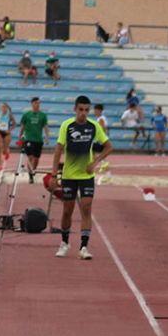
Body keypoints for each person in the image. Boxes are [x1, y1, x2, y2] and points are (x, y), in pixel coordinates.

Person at [48, 95, 114, 260]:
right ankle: (64, 242)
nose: (83, 113)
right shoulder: (67, 125)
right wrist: (54, 175)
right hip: (69, 175)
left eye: (86, 110)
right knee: (67, 210)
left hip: (86, 175)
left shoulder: (94, 126)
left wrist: (95, 162)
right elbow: (57, 151)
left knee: (86, 207)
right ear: (75, 109)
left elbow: (109, 146)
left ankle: (84, 247)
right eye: (80, 110)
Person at [18, 97, 49, 183]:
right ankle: (30, 175)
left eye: (39, 103)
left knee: (36, 159)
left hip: (38, 140)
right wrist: (19, 137)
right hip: (28, 139)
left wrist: (47, 137)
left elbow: (46, 127)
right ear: (32, 104)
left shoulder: (43, 115)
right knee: (30, 157)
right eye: (36, 103)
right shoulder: (26, 115)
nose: (37, 105)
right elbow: (22, 127)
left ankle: (33, 170)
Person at [0, 102, 16, 171]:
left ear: (7, 108)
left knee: (4, 151)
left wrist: (10, 130)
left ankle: (7, 151)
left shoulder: (10, 115)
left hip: (7, 133)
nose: (3, 108)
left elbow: (14, 124)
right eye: (2, 107)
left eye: (4, 107)